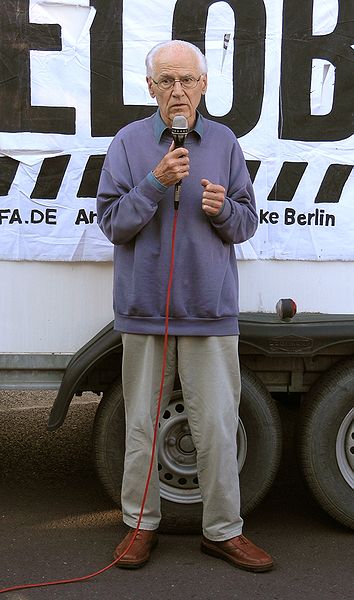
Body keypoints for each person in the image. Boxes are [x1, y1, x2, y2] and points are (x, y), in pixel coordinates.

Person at [96, 39, 273, 573]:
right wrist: (155, 182)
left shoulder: (225, 142)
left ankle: (223, 531)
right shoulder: (127, 143)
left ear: (204, 85)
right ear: (150, 87)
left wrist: (223, 212)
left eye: (187, 80)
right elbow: (112, 223)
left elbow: (246, 223)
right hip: (144, 310)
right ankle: (138, 526)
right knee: (143, 426)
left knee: (217, 425)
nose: (178, 90)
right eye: (166, 80)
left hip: (209, 310)